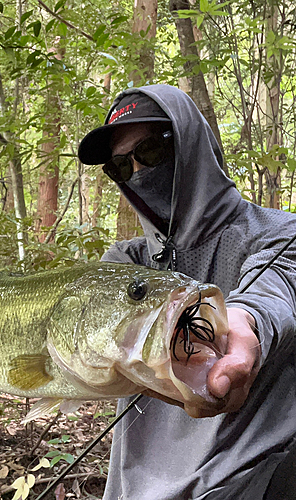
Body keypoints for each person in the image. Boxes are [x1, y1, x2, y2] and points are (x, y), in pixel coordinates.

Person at [77, 85, 296, 499]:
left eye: (153, 151)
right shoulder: (126, 263)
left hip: (253, 483)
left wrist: (245, 323)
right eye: (121, 167)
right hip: (138, 488)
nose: (139, 171)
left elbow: (277, 291)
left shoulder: (279, 235)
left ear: (192, 145)